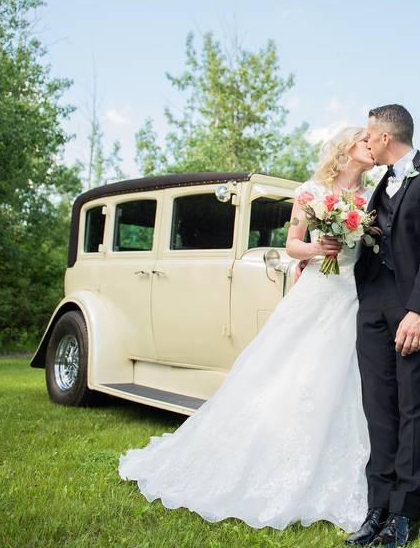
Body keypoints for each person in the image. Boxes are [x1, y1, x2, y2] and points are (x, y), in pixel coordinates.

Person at [118, 127, 377, 533]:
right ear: (347, 148)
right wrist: (315, 249)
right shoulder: (311, 190)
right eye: (365, 141)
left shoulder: (370, 198)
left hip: (351, 295)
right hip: (317, 290)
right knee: (286, 375)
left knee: (342, 380)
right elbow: (293, 242)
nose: (372, 147)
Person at [345, 104, 420, 547]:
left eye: (370, 135)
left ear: (384, 137)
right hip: (373, 308)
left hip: (413, 310)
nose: (367, 141)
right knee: (379, 407)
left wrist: (419, 311)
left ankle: (404, 516)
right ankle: (376, 508)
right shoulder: (379, 184)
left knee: (415, 410)